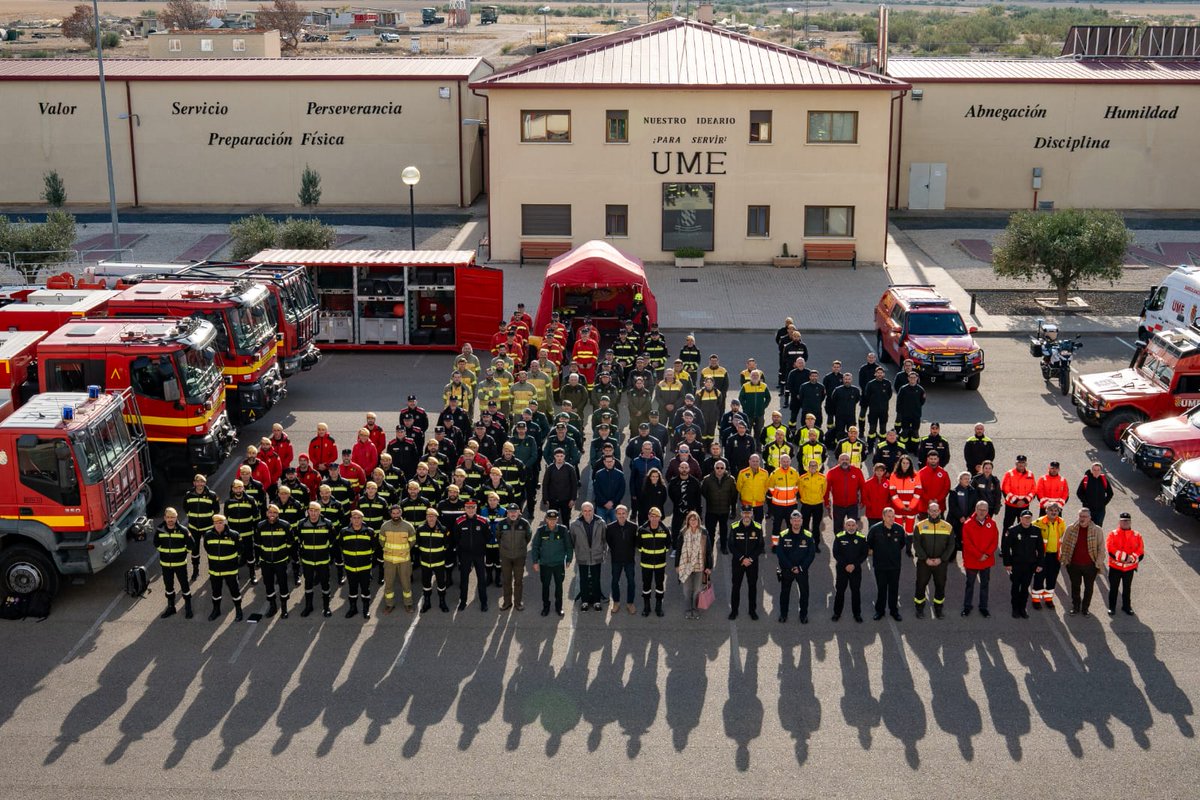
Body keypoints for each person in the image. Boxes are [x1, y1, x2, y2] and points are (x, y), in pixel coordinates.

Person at [1059, 507, 1105, 616]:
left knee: (1089, 588)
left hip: (1090, 566)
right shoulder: (1070, 528)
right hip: (1074, 565)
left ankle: (1085, 608)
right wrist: (1065, 561)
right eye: (1080, 516)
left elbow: (1101, 549)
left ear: (1090, 518)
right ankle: (1075, 607)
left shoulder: (1097, 530)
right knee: (1075, 587)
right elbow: (1064, 545)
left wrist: (1097, 563)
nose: (1082, 518)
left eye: (1085, 516)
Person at [912, 501, 954, 619]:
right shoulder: (920, 526)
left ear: (939, 511)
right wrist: (925, 559)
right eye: (932, 511)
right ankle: (919, 609)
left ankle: (938, 609)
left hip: (941, 563)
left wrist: (942, 559)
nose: (934, 513)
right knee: (920, 585)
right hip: (924, 563)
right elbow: (916, 544)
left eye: (936, 511)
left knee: (940, 585)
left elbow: (951, 545)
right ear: (928, 511)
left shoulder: (947, 526)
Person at [1002, 509, 1043, 619]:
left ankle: (1022, 609)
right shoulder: (1013, 530)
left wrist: (1039, 564)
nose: (1027, 519)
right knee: (1015, 588)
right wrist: (1007, 563)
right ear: (1020, 519)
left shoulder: (1036, 531)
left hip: (1030, 566)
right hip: (1016, 565)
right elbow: (1006, 549)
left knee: (1025, 588)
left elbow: (1040, 549)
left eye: (1029, 517)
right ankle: (1015, 609)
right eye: (1025, 518)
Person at [154, 508, 195, 619]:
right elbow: (156, 543)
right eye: (168, 517)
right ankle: (171, 607)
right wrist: (165, 552)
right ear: (164, 518)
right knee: (168, 586)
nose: (170, 519)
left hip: (180, 564)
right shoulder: (160, 530)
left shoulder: (183, 530)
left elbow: (191, 545)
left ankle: (188, 607)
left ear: (176, 517)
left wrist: (183, 553)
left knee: (184, 585)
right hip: (166, 565)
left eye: (172, 517)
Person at [866, 507, 906, 621]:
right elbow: (869, 544)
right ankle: (880, 611)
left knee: (894, 589)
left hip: (895, 566)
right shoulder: (875, 529)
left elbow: (902, 544)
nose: (892, 519)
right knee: (881, 589)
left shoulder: (899, 529)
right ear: (883, 517)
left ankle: (894, 611)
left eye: (893, 516)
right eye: (889, 516)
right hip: (880, 566)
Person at [776, 511, 815, 623]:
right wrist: (790, 567)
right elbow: (780, 553)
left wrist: (801, 568)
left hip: (802, 571)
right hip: (787, 571)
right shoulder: (783, 535)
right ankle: (783, 614)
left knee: (804, 593)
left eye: (798, 520)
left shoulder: (808, 536)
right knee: (784, 594)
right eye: (794, 520)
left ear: (802, 521)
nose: (796, 523)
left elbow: (811, 555)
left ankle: (803, 615)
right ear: (790, 521)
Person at [256, 504, 295, 619]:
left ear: (278, 514)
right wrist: (259, 559)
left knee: (283, 584)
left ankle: (284, 608)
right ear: (267, 513)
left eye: (275, 513)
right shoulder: (260, 526)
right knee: (268, 585)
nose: (272, 515)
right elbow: (258, 544)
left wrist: (286, 556)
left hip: (280, 561)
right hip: (266, 562)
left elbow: (290, 542)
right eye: (270, 512)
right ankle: (272, 606)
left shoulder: (285, 525)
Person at [960, 500, 998, 618]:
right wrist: (979, 555)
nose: (982, 512)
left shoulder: (992, 524)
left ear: (987, 511)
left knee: (984, 585)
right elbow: (967, 543)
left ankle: (983, 607)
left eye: (985, 510)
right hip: (972, 560)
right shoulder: (967, 524)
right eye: (980, 509)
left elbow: (995, 541)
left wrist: (986, 554)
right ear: (975, 510)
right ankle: (967, 606)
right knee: (970, 584)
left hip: (986, 560)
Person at [297, 501, 334, 617]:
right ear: (308, 511)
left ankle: (326, 607)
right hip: (307, 561)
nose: (313, 514)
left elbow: (332, 541)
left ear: (320, 512)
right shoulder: (302, 524)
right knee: (308, 584)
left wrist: (328, 554)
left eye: (316, 511)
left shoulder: (327, 524)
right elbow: (298, 541)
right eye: (311, 511)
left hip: (323, 560)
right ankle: (308, 606)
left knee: (325, 584)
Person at [454, 498, 491, 612]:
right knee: (464, 579)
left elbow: (487, 537)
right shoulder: (459, 521)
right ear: (465, 508)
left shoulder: (483, 521)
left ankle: (483, 602)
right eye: (468, 507)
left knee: (481, 579)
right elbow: (456, 538)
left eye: (473, 507)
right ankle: (463, 601)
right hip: (465, 555)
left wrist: (481, 548)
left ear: (476, 508)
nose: (470, 509)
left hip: (479, 554)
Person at [728, 505, 764, 620]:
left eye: (749, 513)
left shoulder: (758, 527)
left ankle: (752, 611)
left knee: (752, 587)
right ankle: (734, 611)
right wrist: (742, 558)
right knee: (736, 587)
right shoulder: (734, 527)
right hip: (738, 563)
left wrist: (750, 559)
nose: (747, 515)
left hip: (752, 563)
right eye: (744, 513)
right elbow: (731, 546)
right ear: (741, 513)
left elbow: (760, 546)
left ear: (752, 514)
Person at [204, 514, 243, 622]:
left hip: (230, 570)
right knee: (216, 592)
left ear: (225, 523)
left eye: (220, 523)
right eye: (216, 523)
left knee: (235, 591)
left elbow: (240, 550)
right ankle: (216, 610)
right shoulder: (208, 535)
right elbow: (207, 548)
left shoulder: (234, 535)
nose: (218, 525)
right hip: (215, 570)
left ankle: (238, 610)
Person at [570, 502, 607, 612]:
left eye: (589, 510)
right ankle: (585, 601)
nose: (587, 513)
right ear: (581, 512)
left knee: (596, 579)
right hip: (582, 556)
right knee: (583, 579)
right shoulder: (574, 524)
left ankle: (596, 601)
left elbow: (604, 539)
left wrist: (603, 552)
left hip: (596, 556)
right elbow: (572, 540)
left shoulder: (601, 522)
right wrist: (576, 552)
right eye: (585, 511)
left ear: (593, 511)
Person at [380, 504, 416, 614]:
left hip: (404, 560)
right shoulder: (384, 526)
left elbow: (412, 541)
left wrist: (403, 551)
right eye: (393, 513)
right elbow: (382, 541)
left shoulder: (408, 526)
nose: (395, 515)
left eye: (397, 513)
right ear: (390, 514)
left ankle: (408, 604)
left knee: (406, 583)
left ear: (401, 513)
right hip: (389, 560)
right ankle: (389, 605)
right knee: (389, 583)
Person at [340, 509, 375, 620]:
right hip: (350, 567)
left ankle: (366, 609)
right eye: (354, 518)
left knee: (365, 590)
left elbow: (374, 547)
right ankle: (353, 608)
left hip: (365, 567)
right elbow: (341, 546)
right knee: (352, 589)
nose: (356, 520)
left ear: (362, 519)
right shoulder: (344, 532)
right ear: (350, 519)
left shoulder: (369, 532)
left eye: (359, 518)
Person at [677, 511, 712, 620]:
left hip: (699, 566)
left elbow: (708, 551)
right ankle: (688, 609)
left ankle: (695, 609)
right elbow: (678, 550)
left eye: (695, 519)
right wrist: (676, 566)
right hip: (685, 566)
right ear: (688, 521)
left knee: (697, 589)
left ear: (698, 521)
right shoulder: (683, 532)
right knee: (687, 590)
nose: (693, 521)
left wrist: (709, 566)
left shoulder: (704, 532)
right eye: (691, 519)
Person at [1106, 512, 1144, 616]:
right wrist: (1126, 558)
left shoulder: (1137, 535)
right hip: (1115, 567)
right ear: (1119, 522)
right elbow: (1110, 549)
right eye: (1123, 521)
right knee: (1113, 588)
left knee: (1127, 588)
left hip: (1129, 568)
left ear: (1130, 522)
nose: (1125, 523)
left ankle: (1126, 606)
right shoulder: (1113, 534)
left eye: (1127, 521)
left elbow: (1140, 550)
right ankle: (1112, 607)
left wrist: (1131, 559)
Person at [183, 474, 219, 581]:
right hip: (193, 527)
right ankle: (195, 570)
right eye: (197, 482)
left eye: (202, 481)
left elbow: (216, 510)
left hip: (208, 527)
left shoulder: (212, 495)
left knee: (211, 549)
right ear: (194, 483)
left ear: (205, 483)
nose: (199, 484)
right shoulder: (189, 495)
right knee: (195, 550)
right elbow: (185, 508)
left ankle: (213, 570)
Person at [496, 503, 532, 611]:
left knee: (518, 581)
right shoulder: (501, 524)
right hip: (506, 557)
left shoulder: (525, 524)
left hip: (519, 557)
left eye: (515, 512)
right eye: (510, 512)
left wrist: (520, 548)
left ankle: (517, 603)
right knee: (506, 580)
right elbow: (498, 538)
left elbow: (528, 537)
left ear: (519, 512)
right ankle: (507, 603)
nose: (512, 514)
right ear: (507, 513)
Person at [831, 517, 868, 623]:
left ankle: (857, 614)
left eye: (853, 525)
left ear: (857, 526)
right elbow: (836, 553)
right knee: (840, 592)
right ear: (845, 526)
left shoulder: (861, 538)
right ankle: (837, 613)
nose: (851, 527)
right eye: (849, 525)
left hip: (855, 570)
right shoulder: (839, 537)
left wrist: (854, 565)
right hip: (842, 569)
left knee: (856, 592)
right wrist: (846, 565)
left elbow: (864, 554)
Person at [416, 506, 451, 613]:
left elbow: (446, 545)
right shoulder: (420, 529)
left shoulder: (443, 529)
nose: (431, 518)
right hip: (425, 563)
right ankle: (427, 602)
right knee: (426, 584)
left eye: (433, 516)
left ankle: (442, 602)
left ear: (437, 517)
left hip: (439, 563)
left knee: (441, 584)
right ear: (426, 517)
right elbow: (418, 545)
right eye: (428, 516)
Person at [637, 507, 671, 617]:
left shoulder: (665, 529)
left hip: (660, 564)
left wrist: (660, 554)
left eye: (656, 516)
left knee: (659, 585)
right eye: (652, 516)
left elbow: (668, 545)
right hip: (646, 564)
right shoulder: (642, 529)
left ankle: (658, 606)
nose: (654, 518)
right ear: (648, 516)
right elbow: (639, 546)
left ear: (660, 518)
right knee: (646, 585)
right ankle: (646, 606)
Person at [606, 504, 639, 615]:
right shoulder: (610, 527)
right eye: (619, 513)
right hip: (616, 559)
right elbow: (609, 542)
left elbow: (636, 542)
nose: (621, 515)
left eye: (623, 513)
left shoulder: (634, 527)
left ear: (627, 514)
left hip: (629, 559)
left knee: (631, 582)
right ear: (615, 514)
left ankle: (630, 603)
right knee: (615, 581)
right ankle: (616, 602)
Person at [1031, 502, 1065, 609]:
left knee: (1052, 578)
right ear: (1046, 511)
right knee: (1039, 577)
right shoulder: (1038, 522)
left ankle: (1048, 599)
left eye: (1056, 511)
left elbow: (1062, 536)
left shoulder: (1061, 522)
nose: (1054, 512)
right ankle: (1036, 599)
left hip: (1055, 556)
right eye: (1051, 510)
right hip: (1042, 556)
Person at [701, 459, 738, 555]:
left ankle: (723, 547)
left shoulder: (731, 480)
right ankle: (709, 549)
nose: (719, 470)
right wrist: (710, 499)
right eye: (717, 468)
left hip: (724, 510)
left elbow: (734, 495)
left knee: (723, 531)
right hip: (711, 510)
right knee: (710, 532)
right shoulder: (707, 479)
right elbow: (703, 492)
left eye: (722, 468)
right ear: (714, 468)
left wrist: (732, 509)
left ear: (725, 469)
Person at [825, 452, 865, 535]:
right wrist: (827, 503)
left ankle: (852, 545)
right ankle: (839, 545)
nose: (844, 461)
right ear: (838, 461)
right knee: (838, 529)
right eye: (842, 459)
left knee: (852, 528)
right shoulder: (832, 472)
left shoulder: (857, 471)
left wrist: (863, 500)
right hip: (838, 506)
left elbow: (863, 487)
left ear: (849, 461)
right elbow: (826, 489)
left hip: (852, 505)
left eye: (847, 459)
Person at [765, 453, 801, 543]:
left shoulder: (794, 472)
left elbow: (798, 485)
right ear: (780, 462)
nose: (785, 463)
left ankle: (790, 543)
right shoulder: (774, 473)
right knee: (777, 525)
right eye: (783, 461)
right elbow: (770, 487)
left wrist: (792, 493)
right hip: (778, 505)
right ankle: (775, 544)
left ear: (790, 461)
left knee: (791, 525)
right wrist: (777, 495)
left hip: (791, 505)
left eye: (787, 461)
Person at [888, 454, 922, 544]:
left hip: (911, 507)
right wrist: (901, 506)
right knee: (898, 526)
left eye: (907, 463)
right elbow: (893, 493)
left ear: (910, 464)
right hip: (898, 507)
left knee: (910, 528)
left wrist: (911, 506)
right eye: (903, 463)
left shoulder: (915, 475)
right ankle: (898, 545)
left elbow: (918, 492)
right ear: (900, 463)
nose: (905, 465)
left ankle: (908, 548)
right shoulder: (894, 475)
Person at [945, 471, 977, 563]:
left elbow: (974, 506)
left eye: (968, 479)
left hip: (968, 520)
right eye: (965, 478)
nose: (967, 480)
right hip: (955, 520)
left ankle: (966, 557)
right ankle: (951, 556)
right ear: (960, 480)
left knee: (966, 539)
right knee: (953, 538)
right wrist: (960, 516)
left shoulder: (973, 491)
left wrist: (968, 517)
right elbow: (952, 506)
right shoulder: (954, 491)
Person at [798, 458, 828, 552]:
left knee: (816, 526)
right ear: (808, 467)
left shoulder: (822, 478)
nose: (813, 467)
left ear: (818, 467)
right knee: (805, 525)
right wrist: (805, 499)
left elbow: (824, 491)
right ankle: (805, 543)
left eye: (815, 465)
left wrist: (818, 498)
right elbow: (800, 491)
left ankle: (816, 545)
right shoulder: (802, 478)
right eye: (811, 465)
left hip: (818, 505)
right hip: (806, 504)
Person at [542, 447, 579, 522]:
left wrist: (573, 499)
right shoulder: (550, 468)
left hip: (566, 500)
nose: (559, 458)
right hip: (553, 500)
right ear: (554, 456)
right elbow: (545, 484)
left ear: (564, 456)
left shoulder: (570, 468)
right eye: (557, 456)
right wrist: (545, 498)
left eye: (561, 456)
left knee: (566, 520)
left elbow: (574, 484)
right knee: (552, 521)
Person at [1001, 455, 1037, 531]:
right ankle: (1006, 543)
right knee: (1007, 527)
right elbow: (1005, 489)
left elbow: (1033, 490)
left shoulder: (1030, 474)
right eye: (1019, 462)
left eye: (1023, 462)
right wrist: (1016, 501)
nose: (1021, 464)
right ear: (1016, 463)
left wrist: (1025, 501)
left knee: (1024, 527)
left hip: (1024, 505)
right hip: (1011, 505)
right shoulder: (1009, 474)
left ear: (1026, 464)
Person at [861, 366, 892, 449]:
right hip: (873, 410)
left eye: (881, 373)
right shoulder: (870, 384)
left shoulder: (887, 383)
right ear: (875, 374)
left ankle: (882, 447)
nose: (879, 374)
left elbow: (889, 395)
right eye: (878, 373)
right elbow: (867, 395)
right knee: (872, 429)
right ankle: (870, 446)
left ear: (884, 374)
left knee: (883, 430)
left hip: (884, 411)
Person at [894, 371, 925, 451]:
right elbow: (899, 401)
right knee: (905, 432)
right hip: (905, 415)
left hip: (916, 415)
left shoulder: (920, 389)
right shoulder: (903, 389)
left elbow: (922, 401)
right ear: (908, 378)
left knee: (915, 432)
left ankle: (915, 449)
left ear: (917, 378)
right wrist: (900, 412)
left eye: (914, 378)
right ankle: (903, 448)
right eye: (911, 377)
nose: (912, 379)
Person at [738, 370, 771, 440]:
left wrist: (763, 406)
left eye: (757, 375)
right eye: (753, 375)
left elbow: (768, 397)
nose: (755, 377)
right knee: (747, 431)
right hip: (748, 414)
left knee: (759, 432)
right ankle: (748, 447)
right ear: (750, 377)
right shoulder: (745, 386)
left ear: (759, 377)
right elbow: (741, 398)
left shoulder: (764, 386)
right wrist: (745, 407)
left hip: (760, 414)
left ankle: (758, 448)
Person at [736, 453, 769, 523]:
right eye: (753, 461)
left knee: (758, 523)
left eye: (757, 461)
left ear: (759, 462)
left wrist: (761, 494)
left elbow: (766, 486)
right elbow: (739, 487)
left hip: (759, 503)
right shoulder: (742, 473)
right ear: (749, 461)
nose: (755, 463)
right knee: (746, 522)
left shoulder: (765, 473)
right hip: (746, 503)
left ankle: (758, 534)